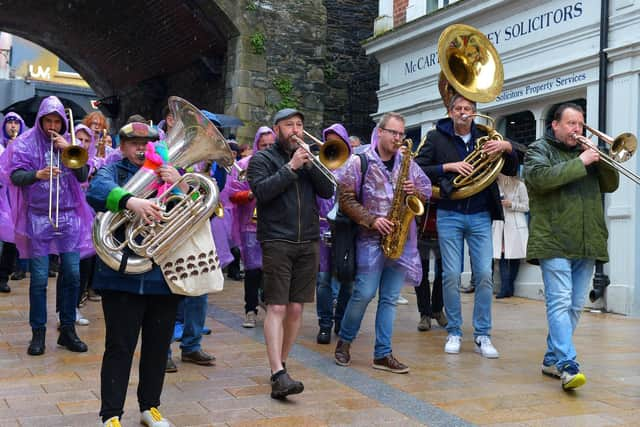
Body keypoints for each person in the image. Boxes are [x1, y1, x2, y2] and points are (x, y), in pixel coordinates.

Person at [87, 122, 184, 427]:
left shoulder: (168, 174)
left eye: (147, 142)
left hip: (164, 273)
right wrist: (132, 201)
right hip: (122, 275)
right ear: (123, 146)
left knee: (157, 347)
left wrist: (179, 184)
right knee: (119, 346)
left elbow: (198, 209)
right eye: (134, 143)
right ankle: (111, 414)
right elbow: (96, 191)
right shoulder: (112, 171)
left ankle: (150, 407)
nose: (141, 148)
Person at [414, 94, 518, 358]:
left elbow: (512, 169)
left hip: (481, 212)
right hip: (450, 213)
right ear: (450, 113)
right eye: (458, 108)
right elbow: (418, 168)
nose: (463, 112)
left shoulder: (488, 137)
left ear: (474, 112)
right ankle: (455, 331)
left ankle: (483, 334)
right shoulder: (436, 137)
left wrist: (506, 147)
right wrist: (448, 166)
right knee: (450, 275)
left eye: (468, 109)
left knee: (484, 274)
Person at [524, 103, 618, 391]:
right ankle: (568, 364)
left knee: (576, 305)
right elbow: (540, 179)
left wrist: (599, 159)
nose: (576, 129)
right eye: (571, 123)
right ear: (555, 125)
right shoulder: (537, 149)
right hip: (553, 238)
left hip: (586, 239)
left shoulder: (587, 152)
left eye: (580, 124)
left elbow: (611, 185)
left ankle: (552, 358)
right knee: (560, 302)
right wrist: (582, 162)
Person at [333, 112, 431, 373]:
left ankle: (382, 354)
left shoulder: (407, 162)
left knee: (389, 299)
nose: (398, 138)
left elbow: (428, 190)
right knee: (364, 293)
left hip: (401, 240)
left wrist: (416, 191)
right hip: (370, 239)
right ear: (381, 132)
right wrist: (371, 220)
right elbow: (345, 198)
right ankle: (345, 340)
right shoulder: (359, 161)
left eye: (402, 134)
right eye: (394, 133)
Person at [247, 108, 334, 399]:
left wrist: (309, 165)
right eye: (289, 125)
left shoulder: (308, 158)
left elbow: (327, 190)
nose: (295, 130)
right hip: (277, 239)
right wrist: (291, 167)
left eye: (299, 124)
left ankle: (281, 367)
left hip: (308, 240)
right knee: (277, 307)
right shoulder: (262, 159)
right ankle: (277, 372)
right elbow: (262, 192)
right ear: (276, 129)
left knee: (296, 308)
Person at [4, 96, 93, 356]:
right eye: (48, 121)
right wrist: (37, 175)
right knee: (40, 279)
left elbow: (83, 175)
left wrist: (69, 149)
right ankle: (38, 333)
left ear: (64, 123)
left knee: (73, 274)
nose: (52, 126)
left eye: (57, 121)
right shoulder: (25, 143)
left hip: (68, 217)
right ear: (41, 121)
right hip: (39, 217)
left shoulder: (71, 144)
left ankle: (67, 330)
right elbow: (15, 176)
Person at [229, 126, 276, 328]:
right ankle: (250, 309)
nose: (267, 148)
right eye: (263, 145)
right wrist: (250, 194)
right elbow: (231, 193)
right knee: (252, 269)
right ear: (257, 145)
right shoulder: (243, 165)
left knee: (272, 267)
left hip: (275, 223)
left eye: (271, 145)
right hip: (251, 224)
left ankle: (266, 299)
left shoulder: (280, 163)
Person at [315, 123, 353, 344]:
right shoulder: (319, 164)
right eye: (328, 139)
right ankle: (325, 325)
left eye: (336, 140)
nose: (332, 144)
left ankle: (341, 321)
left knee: (347, 280)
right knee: (323, 280)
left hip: (346, 228)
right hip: (322, 226)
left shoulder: (354, 164)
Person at [492, 173, 529, 299]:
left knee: (514, 256)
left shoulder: (520, 185)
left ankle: (509, 287)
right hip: (500, 225)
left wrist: (512, 204)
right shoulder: (494, 185)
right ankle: (505, 288)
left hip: (515, 225)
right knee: (502, 256)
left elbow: (526, 207)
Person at [415, 200, 447, 331]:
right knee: (421, 274)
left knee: (445, 274)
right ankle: (425, 314)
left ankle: (437, 309)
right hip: (421, 231)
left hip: (445, 232)